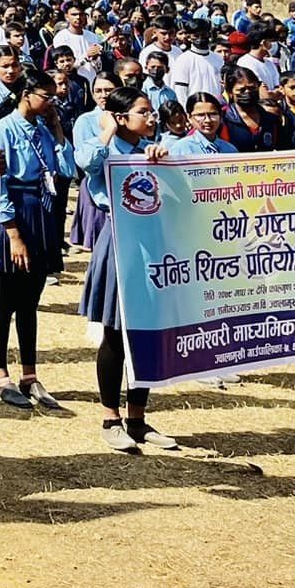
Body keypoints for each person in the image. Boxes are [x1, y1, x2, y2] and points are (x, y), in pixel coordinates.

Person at [75, 86, 180, 455]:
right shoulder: (105, 150)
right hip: (118, 239)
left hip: (151, 243)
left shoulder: (151, 149)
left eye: (151, 112)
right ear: (121, 117)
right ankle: (110, 417)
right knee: (115, 335)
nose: (151, 118)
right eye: (142, 112)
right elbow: (85, 161)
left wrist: (160, 159)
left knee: (145, 332)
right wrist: (106, 129)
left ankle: (138, 418)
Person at [0, 71, 66, 411]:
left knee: (32, 298)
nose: (50, 103)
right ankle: (1, 373)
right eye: (46, 96)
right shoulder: (1, 130)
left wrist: (58, 128)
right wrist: (13, 234)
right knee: (8, 296)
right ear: (26, 94)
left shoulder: (44, 130)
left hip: (41, 210)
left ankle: (30, 374)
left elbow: (64, 168)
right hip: (15, 214)